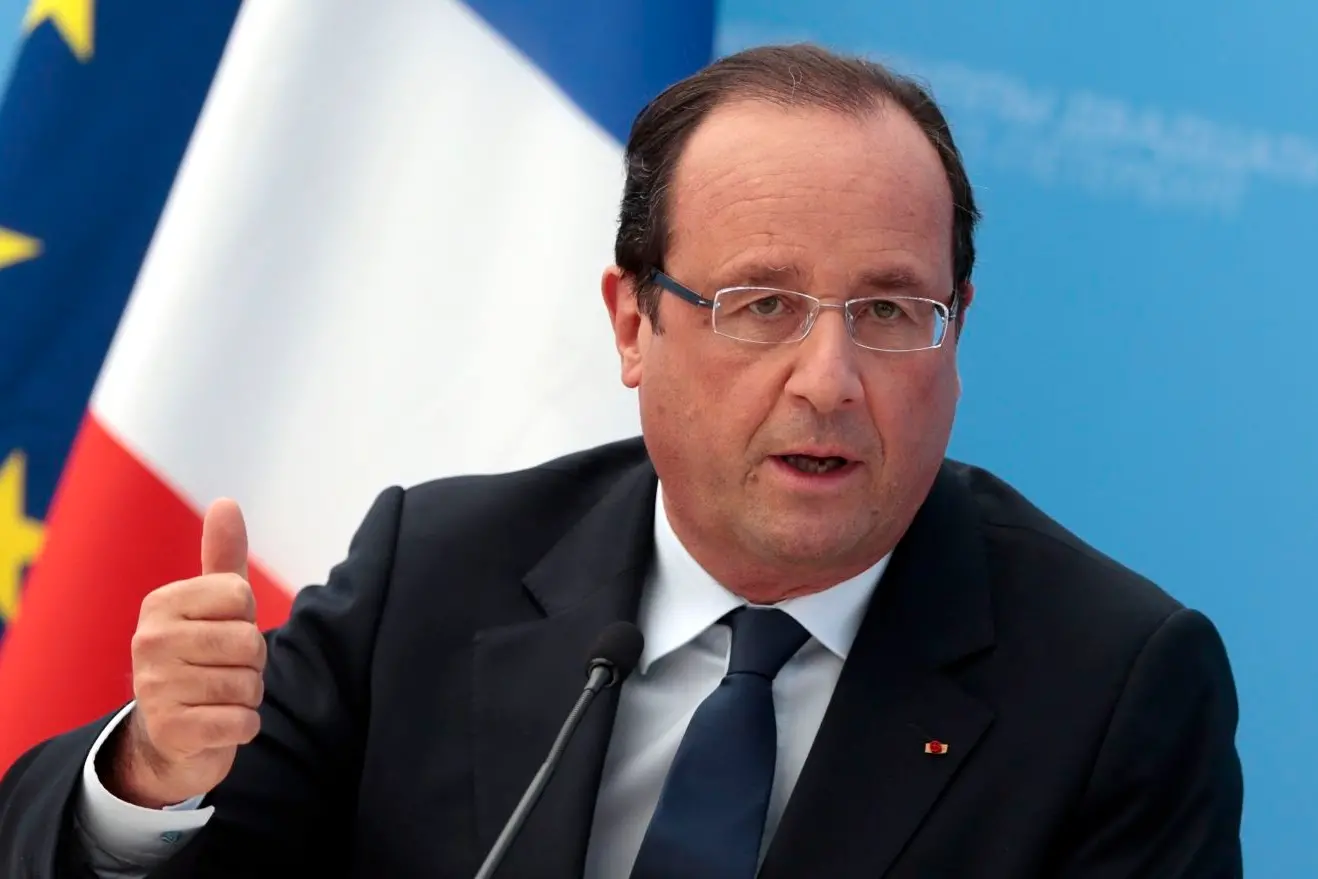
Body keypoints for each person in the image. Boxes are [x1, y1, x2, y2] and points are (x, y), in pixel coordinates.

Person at [0, 44, 1243, 879]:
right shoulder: (435, 575)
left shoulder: (1112, 688)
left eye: (887, 311)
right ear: (633, 324)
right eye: (760, 303)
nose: (827, 379)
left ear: (954, 331)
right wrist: (154, 771)